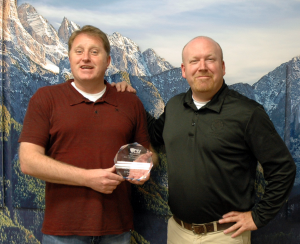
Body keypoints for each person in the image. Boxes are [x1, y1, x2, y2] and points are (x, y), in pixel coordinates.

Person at [116, 36, 296, 244]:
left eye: (210, 60)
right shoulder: (174, 107)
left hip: (226, 236)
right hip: (177, 231)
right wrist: (131, 99)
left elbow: (283, 168)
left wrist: (258, 217)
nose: (202, 67)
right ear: (184, 70)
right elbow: (154, 135)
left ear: (222, 67)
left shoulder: (248, 112)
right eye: (194, 61)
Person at [18, 25, 151, 244]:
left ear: (108, 61)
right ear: (69, 57)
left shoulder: (129, 101)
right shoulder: (45, 98)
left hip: (117, 229)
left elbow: (146, 153)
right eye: (79, 51)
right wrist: (87, 178)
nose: (86, 58)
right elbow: (28, 162)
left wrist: (142, 167)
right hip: (62, 232)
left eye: (94, 52)